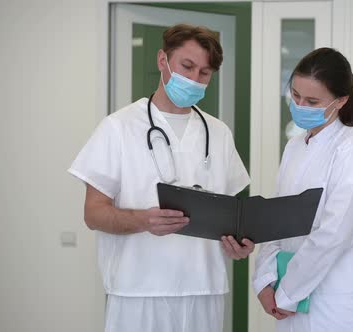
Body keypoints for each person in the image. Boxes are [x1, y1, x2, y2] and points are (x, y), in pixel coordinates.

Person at [68, 24, 254, 332]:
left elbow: (231, 215)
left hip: (204, 290)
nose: (194, 79)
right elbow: (93, 213)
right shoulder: (118, 128)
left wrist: (239, 243)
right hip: (138, 291)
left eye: (204, 73)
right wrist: (144, 220)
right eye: (187, 66)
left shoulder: (218, 133)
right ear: (162, 60)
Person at [252, 47, 353, 332]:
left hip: (339, 302)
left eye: (312, 101)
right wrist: (264, 280)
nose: (300, 105)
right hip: (290, 299)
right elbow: (277, 220)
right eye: (296, 95)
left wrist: (288, 291)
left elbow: (334, 234)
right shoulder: (294, 146)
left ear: (340, 101)